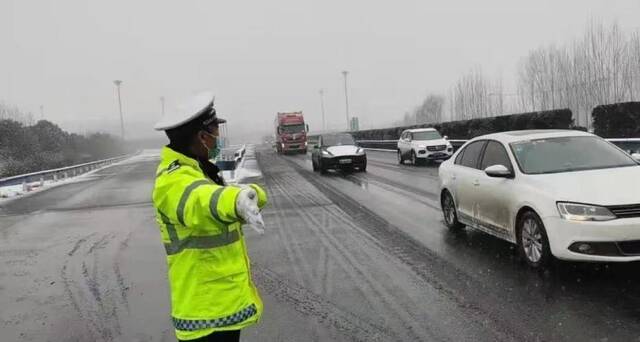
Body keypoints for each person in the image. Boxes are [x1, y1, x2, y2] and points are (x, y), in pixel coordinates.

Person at [152, 91, 267, 342]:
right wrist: (235, 201)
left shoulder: (200, 170)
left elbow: (216, 196)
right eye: (215, 133)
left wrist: (252, 194)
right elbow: (200, 201)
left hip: (221, 309)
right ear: (202, 137)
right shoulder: (173, 180)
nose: (218, 138)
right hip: (203, 317)